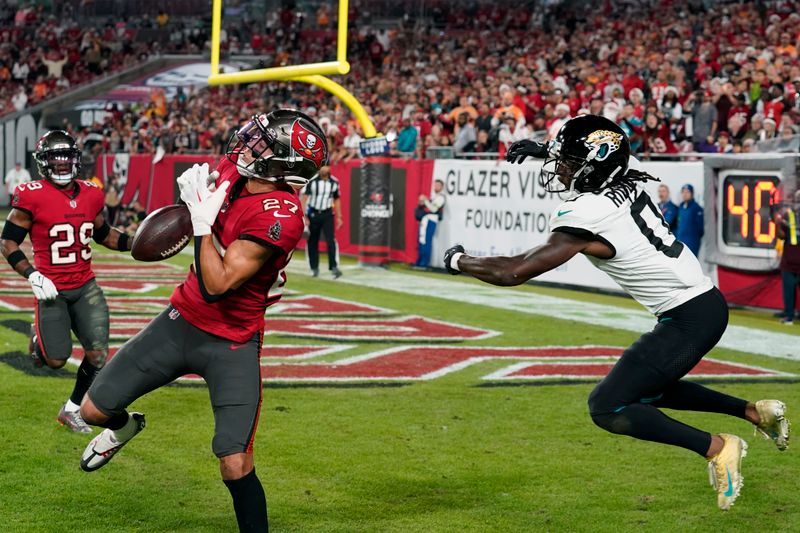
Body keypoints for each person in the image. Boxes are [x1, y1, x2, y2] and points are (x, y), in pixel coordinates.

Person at [443, 115, 789, 510]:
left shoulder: (590, 214)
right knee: (649, 390)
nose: (561, 168)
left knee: (607, 406)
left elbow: (512, 271)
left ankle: (718, 447)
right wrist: (546, 149)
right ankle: (753, 412)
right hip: (700, 304)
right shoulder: (625, 178)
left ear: (594, 166)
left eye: (569, 162)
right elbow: (604, 162)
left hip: (689, 316)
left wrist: (458, 261)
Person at [76, 110, 328, 532]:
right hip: (180, 321)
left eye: (262, 144)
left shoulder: (282, 214)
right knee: (93, 411)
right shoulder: (235, 168)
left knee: (234, 461)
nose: (247, 144)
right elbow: (194, 213)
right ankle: (123, 430)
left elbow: (219, 282)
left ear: (283, 166)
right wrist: (190, 209)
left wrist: (200, 223)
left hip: (232, 341)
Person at [0, 130, 132, 433]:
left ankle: (71, 409)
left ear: (76, 160)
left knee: (98, 354)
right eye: (55, 160)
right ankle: (39, 341)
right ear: (44, 163)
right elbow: (8, 242)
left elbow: (104, 234)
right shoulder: (31, 194)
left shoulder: (92, 192)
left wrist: (136, 244)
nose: (62, 166)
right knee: (56, 361)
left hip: (86, 285)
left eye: (67, 159)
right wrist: (31, 274)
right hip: (51, 289)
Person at [301, 164, 343, 278]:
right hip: (313, 213)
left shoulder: (334, 182)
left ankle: (334, 267)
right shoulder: (312, 181)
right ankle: (314, 268)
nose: (324, 169)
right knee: (312, 241)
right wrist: (304, 216)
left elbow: (337, 198)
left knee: (331, 241)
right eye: (322, 167)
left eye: (326, 166)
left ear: (329, 168)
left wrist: (339, 216)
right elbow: (304, 198)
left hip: (328, 214)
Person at [775, 190, 800, 325]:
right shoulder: (787, 215)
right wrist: (778, 223)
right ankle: (789, 315)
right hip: (789, 261)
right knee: (789, 291)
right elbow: (781, 235)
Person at [414, 178, 446, 269]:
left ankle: (424, 262)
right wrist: (421, 202)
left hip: (431, 220)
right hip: (425, 220)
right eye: (435, 185)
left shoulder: (441, 198)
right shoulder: (433, 196)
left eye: (438, 185)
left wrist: (425, 201)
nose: (436, 187)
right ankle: (419, 261)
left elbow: (433, 209)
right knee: (421, 241)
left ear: (442, 187)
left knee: (426, 241)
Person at [676, 184, 704, 257]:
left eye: (687, 192)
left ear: (692, 194)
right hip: (680, 242)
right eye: (683, 192)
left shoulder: (696, 208)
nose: (685, 194)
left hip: (692, 243)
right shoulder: (681, 207)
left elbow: (701, 229)